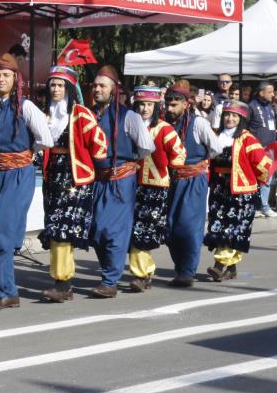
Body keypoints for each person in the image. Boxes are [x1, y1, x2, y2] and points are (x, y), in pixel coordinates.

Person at [0, 53, 53, 310]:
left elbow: (45, 138)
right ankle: (3, 290)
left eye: (6, 75)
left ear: (15, 78)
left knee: (2, 233)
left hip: (19, 175)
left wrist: (27, 153)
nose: (0, 79)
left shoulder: (27, 107)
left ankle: (4, 290)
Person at [39, 65, 108, 303]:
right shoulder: (45, 113)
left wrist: (95, 166)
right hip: (53, 177)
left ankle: (63, 282)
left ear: (69, 88)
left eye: (60, 85)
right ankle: (62, 280)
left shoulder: (81, 114)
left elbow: (99, 143)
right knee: (54, 226)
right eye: (52, 85)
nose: (56, 89)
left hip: (76, 178)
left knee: (62, 229)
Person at [88, 65, 155, 298]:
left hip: (121, 181)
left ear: (113, 90)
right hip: (97, 181)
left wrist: (130, 162)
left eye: (102, 86)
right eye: (95, 86)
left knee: (113, 232)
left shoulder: (129, 116)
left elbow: (147, 145)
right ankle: (110, 273)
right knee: (96, 231)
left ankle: (110, 281)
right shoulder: (89, 115)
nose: (97, 89)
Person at [163, 81, 223, 287]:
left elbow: (215, 148)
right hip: (170, 181)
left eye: (174, 105)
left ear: (186, 104)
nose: (170, 109)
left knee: (188, 227)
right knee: (170, 228)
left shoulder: (198, 124)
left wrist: (199, 165)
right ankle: (180, 268)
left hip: (193, 182)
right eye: (168, 104)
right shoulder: (163, 124)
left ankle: (187, 271)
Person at [205, 101, 273, 280]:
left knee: (232, 228)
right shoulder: (216, 136)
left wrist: (259, 179)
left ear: (241, 118)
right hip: (219, 187)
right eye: (227, 115)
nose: (229, 118)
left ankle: (219, 265)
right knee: (219, 225)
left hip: (241, 191)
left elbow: (263, 162)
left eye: (234, 115)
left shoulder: (247, 138)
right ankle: (232, 268)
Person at [128, 86, 185, 292]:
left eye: (149, 105)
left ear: (156, 106)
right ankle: (141, 272)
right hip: (129, 183)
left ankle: (142, 274)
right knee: (130, 229)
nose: (145, 109)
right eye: (141, 104)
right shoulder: (128, 126)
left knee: (144, 231)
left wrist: (167, 166)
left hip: (155, 186)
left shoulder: (164, 129)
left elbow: (179, 154)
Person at [247, 80, 277, 217]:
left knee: (267, 178)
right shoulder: (251, 106)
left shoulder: (269, 107)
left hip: (270, 148)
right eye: (270, 92)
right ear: (261, 93)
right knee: (256, 179)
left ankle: (264, 206)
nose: (273, 94)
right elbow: (245, 127)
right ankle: (255, 207)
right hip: (257, 149)